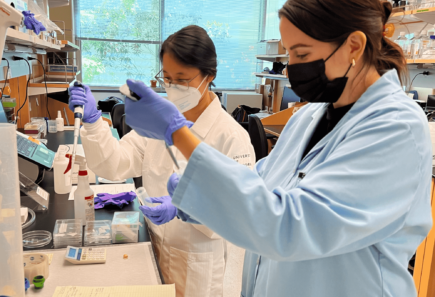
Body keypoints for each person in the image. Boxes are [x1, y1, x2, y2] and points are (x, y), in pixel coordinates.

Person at [122, 1, 433, 296]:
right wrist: (192, 200)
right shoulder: (310, 116)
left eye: (301, 54)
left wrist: (177, 132)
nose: (290, 70)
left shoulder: (396, 127)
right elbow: (261, 183)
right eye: (289, 56)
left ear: (353, 46)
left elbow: (291, 225)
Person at [68, 25, 255, 297]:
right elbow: (116, 164)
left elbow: (240, 216)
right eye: (167, 78)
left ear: (209, 76)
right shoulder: (159, 121)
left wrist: (186, 207)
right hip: (154, 247)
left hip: (200, 266)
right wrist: (95, 123)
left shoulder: (232, 137)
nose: (173, 87)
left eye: (183, 79)